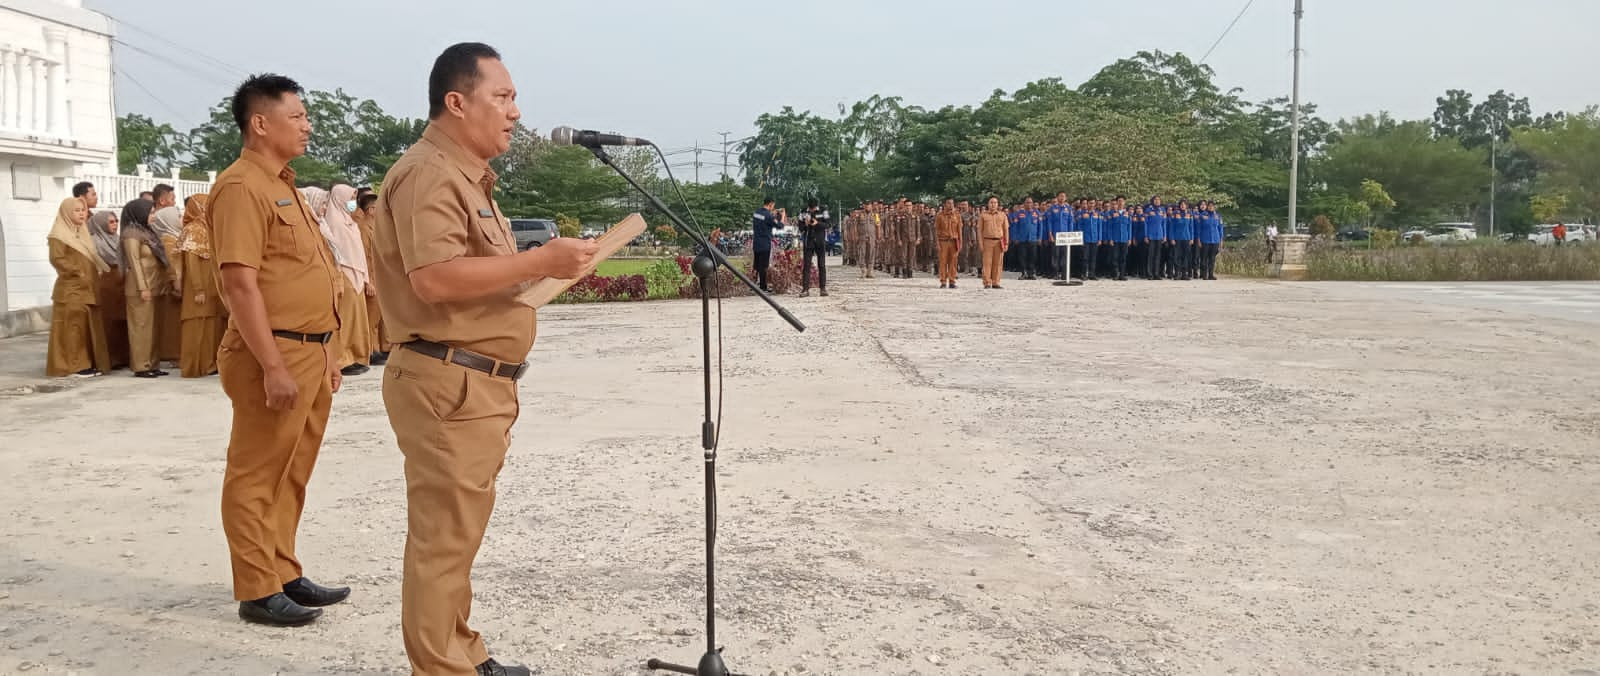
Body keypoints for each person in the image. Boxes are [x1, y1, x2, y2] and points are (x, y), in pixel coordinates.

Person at [371, 42, 598, 676]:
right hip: (448, 382)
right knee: (443, 540)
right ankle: (442, 667)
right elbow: (435, 279)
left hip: (471, 383)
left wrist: (543, 279)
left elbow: (480, 277)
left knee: (457, 535)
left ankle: (460, 653)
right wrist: (540, 260)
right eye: (502, 97)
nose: (516, 112)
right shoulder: (429, 173)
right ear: (456, 101)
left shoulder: (464, 175)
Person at [209, 73, 348, 628]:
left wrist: (329, 352)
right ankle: (257, 588)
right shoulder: (241, 186)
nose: (308, 125)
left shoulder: (283, 184)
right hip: (274, 354)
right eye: (298, 117)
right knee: (255, 473)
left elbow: (303, 274)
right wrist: (271, 365)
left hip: (309, 352)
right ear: (260, 123)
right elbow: (240, 284)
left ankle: (283, 569)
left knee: (291, 471)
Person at [46, 197, 112, 377]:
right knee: (72, 328)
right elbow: (57, 259)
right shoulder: (58, 234)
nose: (82, 213)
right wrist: (77, 271)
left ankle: (86, 363)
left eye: (83, 210)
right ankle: (73, 366)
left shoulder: (81, 233)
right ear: (67, 212)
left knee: (85, 328)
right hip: (71, 289)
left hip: (87, 289)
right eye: (76, 210)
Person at [175, 194, 226, 377]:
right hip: (199, 289)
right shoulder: (193, 229)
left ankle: (208, 364)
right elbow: (192, 262)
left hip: (211, 287)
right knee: (196, 324)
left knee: (211, 325)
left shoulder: (208, 229)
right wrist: (198, 289)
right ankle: (193, 367)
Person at [120, 198, 169, 377]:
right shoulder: (131, 234)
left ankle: (153, 364)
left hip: (154, 285)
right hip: (140, 288)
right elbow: (134, 263)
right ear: (140, 213)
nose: (153, 216)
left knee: (153, 328)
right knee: (141, 328)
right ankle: (141, 366)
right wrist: (143, 288)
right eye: (151, 213)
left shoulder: (147, 233)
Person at [88, 210, 131, 369]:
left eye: (116, 221)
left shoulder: (119, 240)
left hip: (121, 281)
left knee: (121, 322)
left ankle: (122, 358)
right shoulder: (94, 241)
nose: (115, 225)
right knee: (107, 322)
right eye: (111, 222)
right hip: (105, 283)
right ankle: (107, 358)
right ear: (101, 223)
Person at [151, 184, 185, 366]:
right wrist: (177, 284)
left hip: (174, 285)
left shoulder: (174, 237)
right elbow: (173, 265)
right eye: (178, 216)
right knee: (173, 324)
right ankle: (174, 355)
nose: (181, 219)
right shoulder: (168, 240)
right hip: (173, 287)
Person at [796, 198, 829, 297]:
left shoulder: (824, 210)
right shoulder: (803, 212)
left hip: (820, 240)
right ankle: (805, 289)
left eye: (813, 209)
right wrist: (805, 225)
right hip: (808, 240)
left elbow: (828, 224)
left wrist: (817, 223)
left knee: (821, 265)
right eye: (810, 209)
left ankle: (822, 288)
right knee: (806, 265)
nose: (812, 211)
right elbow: (800, 227)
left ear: (817, 206)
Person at [750, 197, 781, 291]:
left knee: (756, 265)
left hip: (756, 242)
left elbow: (764, 219)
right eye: (773, 205)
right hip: (765, 244)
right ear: (771, 204)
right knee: (763, 266)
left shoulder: (756, 213)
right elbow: (780, 226)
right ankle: (763, 287)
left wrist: (772, 215)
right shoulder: (769, 216)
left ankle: (752, 285)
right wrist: (782, 216)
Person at [978, 196, 1009, 289]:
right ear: (988, 204)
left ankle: (996, 282)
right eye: (991, 202)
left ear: (998, 204)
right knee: (987, 263)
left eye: (995, 202)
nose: (993, 204)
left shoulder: (1002, 215)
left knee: (998, 263)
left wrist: (1006, 243)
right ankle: (987, 282)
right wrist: (980, 243)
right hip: (987, 241)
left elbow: (1006, 230)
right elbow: (979, 231)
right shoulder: (983, 215)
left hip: (999, 241)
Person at [934, 198, 961, 288]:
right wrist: (937, 243)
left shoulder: (957, 215)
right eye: (948, 203)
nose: (950, 205)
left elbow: (959, 230)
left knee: (953, 262)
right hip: (943, 242)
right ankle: (943, 281)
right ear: (945, 204)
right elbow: (936, 230)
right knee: (943, 262)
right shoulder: (940, 215)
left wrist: (960, 242)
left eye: (952, 203)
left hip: (954, 241)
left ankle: (952, 281)